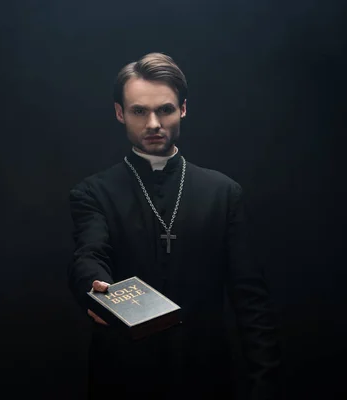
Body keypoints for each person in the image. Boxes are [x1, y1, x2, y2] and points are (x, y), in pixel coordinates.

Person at [67, 52, 281, 400]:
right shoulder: (93, 192)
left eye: (164, 109)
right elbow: (88, 254)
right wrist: (93, 285)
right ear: (120, 113)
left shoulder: (223, 192)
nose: (153, 123)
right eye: (139, 111)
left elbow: (251, 300)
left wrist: (265, 384)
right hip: (123, 379)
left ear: (182, 109)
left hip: (206, 377)